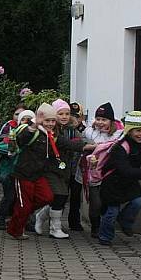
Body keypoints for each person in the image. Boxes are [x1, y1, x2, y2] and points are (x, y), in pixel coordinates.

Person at [7, 104, 91, 240]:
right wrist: (33, 125)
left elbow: (69, 144)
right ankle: (14, 229)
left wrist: (92, 146)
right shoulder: (31, 130)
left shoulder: (52, 135)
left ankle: (25, 215)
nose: (50, 124)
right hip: (23, 174)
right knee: (24, 206)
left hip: (39, 175)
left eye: (53, 121)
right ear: (40, 119)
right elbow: (22, 139)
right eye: (47, 121)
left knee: (48, 197)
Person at [99, 111, 141, 246]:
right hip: (113, 183)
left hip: (129, 182)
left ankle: (125, 221)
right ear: (129, 131)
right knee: (112, 212)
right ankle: (105, 236)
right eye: (138, 130)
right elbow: (125, 170)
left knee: (138, 202)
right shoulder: (120, 147)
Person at [32, 100, 88, 239]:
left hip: (67, 167)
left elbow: (82, 140)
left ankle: (42, 217)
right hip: (50, 167)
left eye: (67, 113)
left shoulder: (73, 129)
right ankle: (54, 227)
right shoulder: (50, 129)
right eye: (60, 113)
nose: (64, 117)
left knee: (60, 196)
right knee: (60, 195)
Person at [75, 102, 120, 238]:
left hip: (109, 174)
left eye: (104, 119)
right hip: (92, 174)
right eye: (98, 119)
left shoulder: (118, 134)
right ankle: (95, 228)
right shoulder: (90, 131)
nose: (100, 122)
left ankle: (106, 226)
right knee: (95, 203)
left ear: (111, 121)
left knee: (106, 202)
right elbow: (79, 126)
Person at [0, 103, 28, 229]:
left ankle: (23, 220)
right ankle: (1, 218)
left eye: (25, 116)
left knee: (24, 195)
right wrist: (13, 148)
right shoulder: (9, 128)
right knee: (10, 195)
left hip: (25, 169)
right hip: (8, 169)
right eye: (18, 115)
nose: (21, 118)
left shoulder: (32, 129)